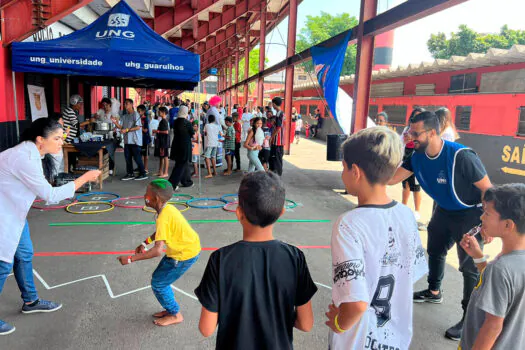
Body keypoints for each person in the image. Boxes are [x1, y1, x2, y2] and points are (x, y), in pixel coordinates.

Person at [388, 111, 493, 341]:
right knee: (435, 249)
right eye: (410, 132)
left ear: (432, 132)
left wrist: (487, 222)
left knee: (469, 267)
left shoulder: (461, 156)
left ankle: (469, 319)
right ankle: (434, 291)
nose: (411, 137)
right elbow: (391, 178)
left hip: (470, 214)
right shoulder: (416, 155)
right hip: (443, 210)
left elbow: (488, 189)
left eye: (416, 133)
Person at [326, 127, 427, 349]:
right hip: (395, 339)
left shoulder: (349, 224)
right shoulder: (406, 214)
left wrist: (339, 323)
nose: (342, 174)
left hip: (358, 340)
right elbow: (412, 273)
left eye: (343, 168)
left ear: (355, 171)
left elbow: (357, 302)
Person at [0, 118, 100, 335]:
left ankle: (30, 301)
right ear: (39, 140)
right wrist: (84, 178)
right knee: (2, 266)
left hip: (13, 213)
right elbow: (50, 196)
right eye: (56, 138)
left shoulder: (34, 153)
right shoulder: (24, 157)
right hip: (3, 216)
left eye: (62, 137)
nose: (61, 142)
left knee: (24, 255)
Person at [195, 171, 317, 349]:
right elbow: (306, 324)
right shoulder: (294, 257)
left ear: (238, 213)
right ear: (282, 212)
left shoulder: (220, 259)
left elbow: (206, 329)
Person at [117, 179, 200, 327]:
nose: (144, 196)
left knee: (159, 284)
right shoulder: (168, 209)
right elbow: (162, 233)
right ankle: (170, 309)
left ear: (155, 199)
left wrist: (130, 259)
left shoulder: (163, 217)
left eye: (146, 194)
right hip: (183, 250)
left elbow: (157, 251)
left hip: (183, 255)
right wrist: (145, 242)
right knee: (159, 279)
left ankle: (175, 314)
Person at [459, 184, 525, 349]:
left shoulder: (501, 268)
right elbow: (506, 290)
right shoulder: (510, 263)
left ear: (508, 225)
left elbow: (493, 326)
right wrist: (479, 258)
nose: (481, 218)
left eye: (487, 213)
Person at [112, 99, 148, 181]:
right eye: (124, 104)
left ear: (132, 104)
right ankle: (130, 173)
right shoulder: (125, 116)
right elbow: (121, 127)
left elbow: (138, 127)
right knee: (127, 158)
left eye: (127, 103)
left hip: (135, 141)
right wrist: (115, 123)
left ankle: (143, 173)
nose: (125, 105)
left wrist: (127, 130)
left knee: (137, 158)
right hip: (127, 140)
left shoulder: (136, 114)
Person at [401, 108, 424, 221]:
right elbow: (402, 141)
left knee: (416, 186)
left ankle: (417, 211)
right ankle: (403, 207)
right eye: (415, 116)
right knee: (405, 184)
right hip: (407, 156)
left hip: (418, 157)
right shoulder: (407, 129)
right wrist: (405, 140)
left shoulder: (424, 131)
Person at [168, 106, 194, 190]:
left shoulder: (175, 122)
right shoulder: (187, 123)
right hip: (185, 146)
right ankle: (172, 184)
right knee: (180, 165)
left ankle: (186, 181)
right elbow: (192, 133)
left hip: (176, 145)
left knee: (183, 163)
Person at [92, 98, 118, 175]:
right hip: (101, 134)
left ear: (110, 104)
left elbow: (117, 124)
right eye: (103, 105)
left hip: (111, 135)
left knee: (110, 151)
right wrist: (95, 116)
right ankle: (102, 167)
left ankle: (111, 168)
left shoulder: (114, 113)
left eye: (106, 105)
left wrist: (114, 129)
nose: (105, 107)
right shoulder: (101, 111)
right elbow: (95, 117)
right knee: (102, 151)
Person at [153, 107, 170, 178]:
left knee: (165, 157)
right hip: (161, 141)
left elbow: (166, 132)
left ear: (163, 112)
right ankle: (160, 171)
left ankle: (165, 172)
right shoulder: (162, 120)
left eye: (159, 112)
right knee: (161, 157)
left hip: (164, 142)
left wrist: (157, 131)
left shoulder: (164, 121)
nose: (158, 113)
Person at [204, 114, 222, 178]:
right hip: (215, 143)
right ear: (214, 120)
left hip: (209, 143)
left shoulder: (206, 125)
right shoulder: (217, 126)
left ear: (208, 120)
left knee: (207, 157)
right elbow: (221, 134)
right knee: (213, 157)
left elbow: (205, 133)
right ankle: (214, 171)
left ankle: (209, 173)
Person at [269, 97, 284, 176]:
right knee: (275, 158)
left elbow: (278, 128)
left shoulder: (279, 114)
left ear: (274, 104)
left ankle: (278, 175)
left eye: (272, 104)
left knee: (277, 159)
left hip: (278, 141)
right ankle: (275, 173)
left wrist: (271, 136)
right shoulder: (279, 113)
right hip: (277, 140)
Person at [138, 105, 151, 174]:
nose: (138, 112)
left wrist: (139, 128)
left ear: (143, 111)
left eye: (139, 111)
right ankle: (141, 167)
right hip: (139, 139)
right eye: (137, 111)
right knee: (140, 154)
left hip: (145, 139)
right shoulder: (138, 118)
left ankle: (145, 168)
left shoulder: (145, 119)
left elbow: (145, 130)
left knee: (145, 155)